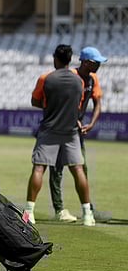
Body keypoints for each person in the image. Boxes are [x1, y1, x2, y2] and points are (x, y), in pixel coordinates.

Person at [24, 44, 95, 226]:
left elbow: (35, 101)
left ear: (55, 58)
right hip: (70, 131)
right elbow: (77, 105)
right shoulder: (78, 81)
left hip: (49, 129)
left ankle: (29, 212)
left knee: (39, 168)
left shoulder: (45, 78)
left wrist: (50, 107)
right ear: (70, 60)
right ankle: (88, 214)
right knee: (78, 169)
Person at [48, 46, 108, 222]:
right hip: (61, 127)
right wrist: (74, 119)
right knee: (57, 169)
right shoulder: (71, 77)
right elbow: (64, 104)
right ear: (87, 62)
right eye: (97, 62)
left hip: (77, 131)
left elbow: (97, 103)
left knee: (82, 168)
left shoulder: (93, 79)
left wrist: (91, 123)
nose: (99, 66)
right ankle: (59, 209)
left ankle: (87, 208)